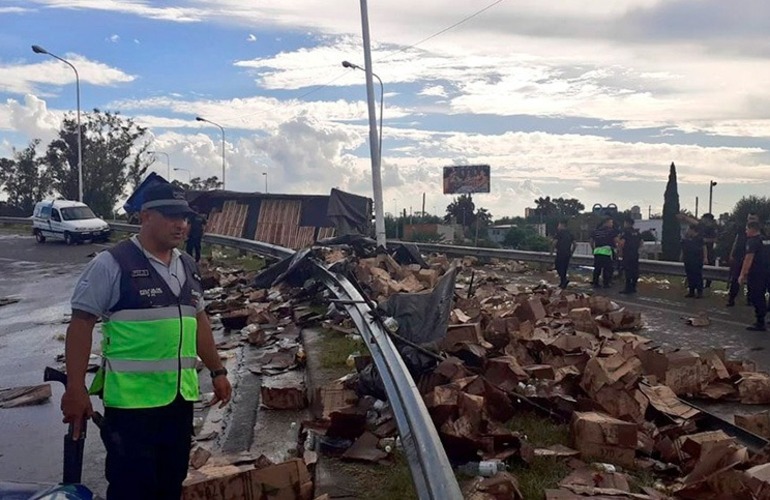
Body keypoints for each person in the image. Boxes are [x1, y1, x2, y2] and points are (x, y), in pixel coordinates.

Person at [61, 183, 232, 499]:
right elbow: (81, 324)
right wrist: (75, 388)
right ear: (145, 217)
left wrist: (218, 371)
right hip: (132, 407)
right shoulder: (112, 263)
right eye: (170, 215)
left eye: (185, 217)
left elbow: (200, 322)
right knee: (133, 488)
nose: (181, 224)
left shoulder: (187, 265)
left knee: (170, 482)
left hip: (179, 401)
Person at [739, 221, 769, 331]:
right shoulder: (766, 239)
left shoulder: (752, 241)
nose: (746, 231)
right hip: (767, 272)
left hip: (757, 273)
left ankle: (760, 322)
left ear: (752, 229)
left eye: (747, 229)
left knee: (756, 296)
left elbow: (748, 259)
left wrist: (742, 274)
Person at [727, 213, 759, 307]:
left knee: (752, 280)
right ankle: (731, 299)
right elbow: (736, 241)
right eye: (749, 218)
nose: (751, 220)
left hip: (753, 258)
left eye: (753, 218)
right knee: (735, 279)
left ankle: (750, 300)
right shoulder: (742, 230)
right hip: (739, 257)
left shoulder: (759, 232)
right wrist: (732, 254)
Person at [590, 217, 618, 288]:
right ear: (606, 222)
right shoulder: (611, 231)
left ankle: (595, 283)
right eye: (611, 222)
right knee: (607, 269)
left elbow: (591, 241)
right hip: (607, 252)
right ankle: (606, 283)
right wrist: (616, 248)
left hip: (597, 252)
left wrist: (593, 249)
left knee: (597, 269)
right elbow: (616, 240)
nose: (612, 224)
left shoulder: (596, 231)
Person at [681, 224, 706, 298]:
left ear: (693, 230)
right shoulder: (687, 239)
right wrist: (682, 256)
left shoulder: (699, 238)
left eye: (689, 229)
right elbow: (683, 248)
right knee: (689, 275)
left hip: (697, 259)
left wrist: (705, 258)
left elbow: (704, 248)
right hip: (688, 259)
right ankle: (691, 291)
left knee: (697, 275)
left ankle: (699, 292)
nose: (687, 231)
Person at [619, 217, 642, 294]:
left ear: (627, 223)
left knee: (628, 271)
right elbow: (641, 243)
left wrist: (620, 252)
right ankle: (633, 287)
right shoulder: (637, 232)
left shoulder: (625, 232)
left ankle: (627, 288)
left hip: (627, 254)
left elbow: (622, 243)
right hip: (635, 254)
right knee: (635, 271)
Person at [551, 219, 576, 289]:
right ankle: (563, 283)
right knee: (564, 268)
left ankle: (564, 280)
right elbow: (575, 244)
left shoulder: (559, 233)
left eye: (558, 225)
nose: (558, 226)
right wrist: (572, 252)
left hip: (560, 253)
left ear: (562, 225)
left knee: (558, 266)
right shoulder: (570, 233)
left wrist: (551, 252)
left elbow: (554, 243)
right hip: (567, 253)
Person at [699, 213, 718, 288]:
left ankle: (707, 285)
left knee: (709, 269)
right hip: (701, 251)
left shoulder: (712, 229)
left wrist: (704, 240)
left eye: (704, 219)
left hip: (709, 252)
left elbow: (715, 239)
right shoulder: (702, 228)